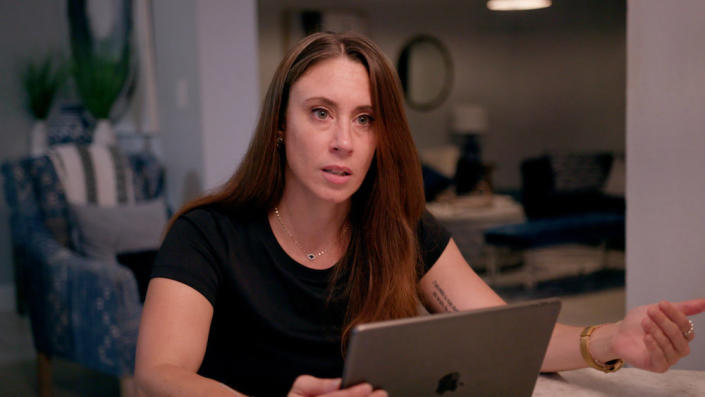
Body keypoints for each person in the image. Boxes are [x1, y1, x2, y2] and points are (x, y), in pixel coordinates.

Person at [134, 32, 704, 397]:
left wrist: (613, 341)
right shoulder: (206, 233)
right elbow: (161, 372)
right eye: (320, 113)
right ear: (281, 128)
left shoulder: (399, 228)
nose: (343, 141)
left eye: (364, 119)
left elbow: (506, 335)